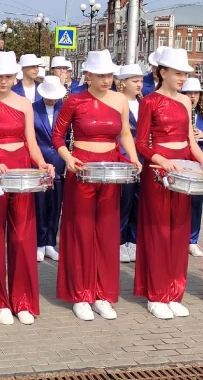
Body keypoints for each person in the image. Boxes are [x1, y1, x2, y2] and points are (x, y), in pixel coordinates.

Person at [53, 50, 142, 321]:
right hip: (81, 168)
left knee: (106, 231)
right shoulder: (74, 101)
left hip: (111, 168)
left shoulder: (119, 100)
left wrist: (135, 158)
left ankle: (103, 294)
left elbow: (125, 132)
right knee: (80, 230)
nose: (106, 80)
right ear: (88, 75)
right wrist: (68, 158)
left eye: (110, 75)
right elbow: (58, 135)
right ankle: (80, 294)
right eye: (101, 75)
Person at [0, 51, 55, 326]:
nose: (3, 80)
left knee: (22, 236)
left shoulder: (24, 104)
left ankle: (23, 300)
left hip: (21, 169)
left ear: (15, 76)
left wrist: (42, 163)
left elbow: (31, 141)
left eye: (8, 76)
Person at [133, 48, 203, 320]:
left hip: (183, 169)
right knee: (159, 232)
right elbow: (140, 143)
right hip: (159, 171)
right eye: (178, 73)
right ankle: (156, 295)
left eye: (185, 74)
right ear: (162, 72)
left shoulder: (184, 102)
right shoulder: (149, 101)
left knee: (179, 232)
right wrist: (161, 160)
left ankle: (174, 291)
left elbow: (190, 140)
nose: (183, 78)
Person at [32, 76, 66, 262]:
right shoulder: (32, 108)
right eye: (49, 96)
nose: (53, 99)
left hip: (60, 163)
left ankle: (50, 243)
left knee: (55, 204)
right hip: (39, 162)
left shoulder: (64, 108)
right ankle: (38, 242)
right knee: (40, 205)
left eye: (55, 96)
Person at [115, 64, 143, 264]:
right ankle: (119, 241)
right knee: (123, 202)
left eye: (141, 81)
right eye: (135, 81)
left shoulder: (144, 103)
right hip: (123, 157)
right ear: (123, 83)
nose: (139, 85)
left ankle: (133, 240)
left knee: (138, 201)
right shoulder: (116, 102)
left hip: (142, 158)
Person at [180, 78, 203, 258]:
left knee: (196, 203)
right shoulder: (176, 112)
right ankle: (179, 239)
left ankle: (192, 240)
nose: (192, 97)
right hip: (182, 162)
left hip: (199, 164)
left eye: (195, 93)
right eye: (189, 93)